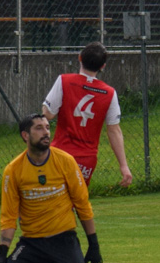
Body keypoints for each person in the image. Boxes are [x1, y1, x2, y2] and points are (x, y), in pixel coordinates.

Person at [0, 113, 103, 263]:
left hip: (63, 238)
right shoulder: (13, 170)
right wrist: (1, 254)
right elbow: (9, 216)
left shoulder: (66, 161)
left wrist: (94, 245)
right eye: (39, 128)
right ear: (25, 135)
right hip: (32, 241)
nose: (46, 132)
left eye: (47, 127)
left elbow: (82, 204)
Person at [42, 42, 133, 187]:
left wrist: (46, 107)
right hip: (86, 158)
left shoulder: (64, 80)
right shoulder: (109, 93)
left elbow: (48, 114)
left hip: (61, 152)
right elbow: (114, 130)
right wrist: (124, 166)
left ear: (80, 58)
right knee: (77, 196)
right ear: (102, 66)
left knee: (53, 195)